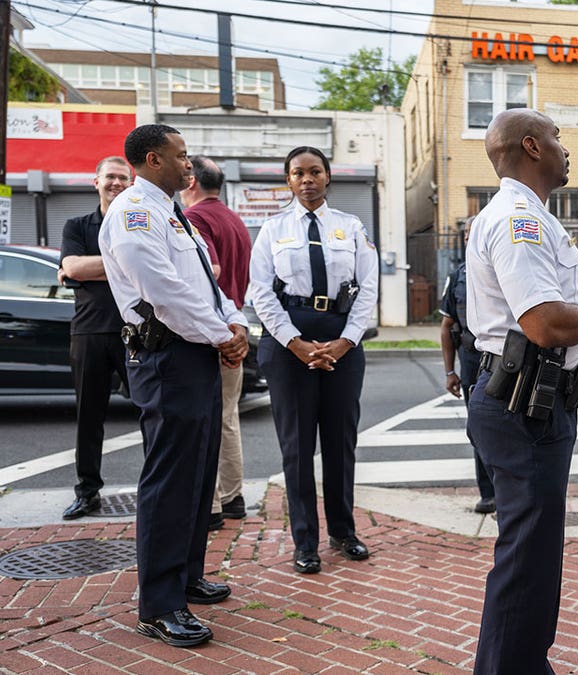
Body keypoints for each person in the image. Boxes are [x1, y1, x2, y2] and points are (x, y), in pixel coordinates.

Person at [465, 108, 578, 674]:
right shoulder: (518, 219)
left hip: (531, 396)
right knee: (527, 557)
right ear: (532, 147)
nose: (565, 147)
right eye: (558, 138)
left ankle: (521, 661)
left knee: (531, 552)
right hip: (525, 401)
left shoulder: (527, 214)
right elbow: (544, 324)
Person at [99, 124, 249, 648]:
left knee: (197, 472)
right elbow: (162, 290)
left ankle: (187, 576)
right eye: (181, 156)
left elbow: (206, 284)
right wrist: (219, 334)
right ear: (151, 158)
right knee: (169, 482)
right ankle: (160, 606)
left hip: (198, 352)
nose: (190, 165)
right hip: (167, 356)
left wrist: (234, 324)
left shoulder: (173, 213)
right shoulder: (133, 213)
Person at [248, 145, 379, 575]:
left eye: (315, 172)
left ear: (328, 178)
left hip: (341, 333)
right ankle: (305, 541)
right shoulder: (272, 229)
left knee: (340, 442)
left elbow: (368, 288)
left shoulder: (351, 227)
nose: (306, 179)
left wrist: (346, 341)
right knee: (297, 447)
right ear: (288, 180)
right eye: (297, 173)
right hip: (289, 342)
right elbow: (261, 293)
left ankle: (343, 531)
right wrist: (294, 342)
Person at [181, 154, 253, 531]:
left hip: (210, 333)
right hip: (235, 328)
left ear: (191, 181)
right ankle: (233, 497)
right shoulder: (234, 219)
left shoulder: (194, 218)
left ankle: (209, 506)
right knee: (227, 417)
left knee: (204, 421)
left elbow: (212, 270)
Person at [58, 156, 132, 520]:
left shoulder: (138, 223)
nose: (116, 183)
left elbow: (78, 269)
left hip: (136, 330)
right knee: (89, 417)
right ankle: (87, 492)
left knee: (153, 413)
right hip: (88, 331)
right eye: (110, 177)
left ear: (132, 184)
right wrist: (126, 262)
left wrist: (89, 267)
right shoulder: (77, 225)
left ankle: (159, 489)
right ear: (96, 181)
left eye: (123, 178)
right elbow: (72, 267)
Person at [439, 218, 495, 514]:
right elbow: (447, 326)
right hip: (472, 362)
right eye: (467, 237)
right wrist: (450, 372)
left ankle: (510, 489)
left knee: (509, 427)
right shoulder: (457, 276)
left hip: (504, 360)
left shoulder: (504, 269)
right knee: (479, 429)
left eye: (477, 235)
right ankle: (488, 493)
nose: (471, 241)